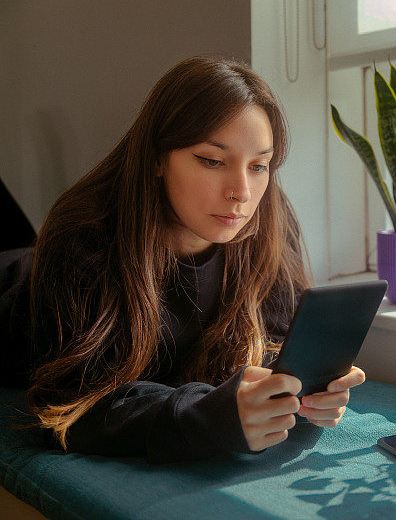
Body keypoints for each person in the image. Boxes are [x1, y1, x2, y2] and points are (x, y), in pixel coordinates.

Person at [0, 55, 365, 463]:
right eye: (212, 160)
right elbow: (72, 407)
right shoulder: (81, 236)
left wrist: (303, 393)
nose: (242, 192)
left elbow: (272, 354)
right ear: (157, 157)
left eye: (260, 166)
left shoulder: (271, 222)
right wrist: (207, 417)